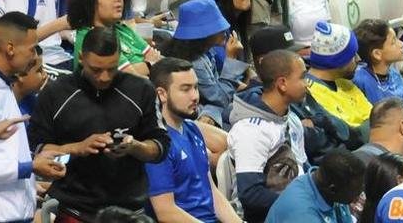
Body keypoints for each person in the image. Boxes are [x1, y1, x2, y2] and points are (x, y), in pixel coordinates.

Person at [31, 26, 169, 218]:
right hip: (75, 208)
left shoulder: (141, 89)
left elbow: (161, 147)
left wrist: (135, 147)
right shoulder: (55, 94)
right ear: (81, 58)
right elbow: (38, 152)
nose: (104, 77)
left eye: (111, 69)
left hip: (130, 211)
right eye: (96, 69)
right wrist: (78, 148)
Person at [146, 58, 242, 223]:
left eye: (196, 87)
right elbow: (166, 212)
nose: (195, 96)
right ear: (162, 94)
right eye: (185, 89)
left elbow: (211, 191)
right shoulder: (157, 145)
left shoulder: (193, 130)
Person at [0, 12, 65, 223]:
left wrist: (31, 182)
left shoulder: (3, 87)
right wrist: (31, 167)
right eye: (32, 49)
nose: (35, 57)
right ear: (10, 48)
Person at [226, 49, 310, 222]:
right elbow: (251, 194)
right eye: (302, 77)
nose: (307, 84)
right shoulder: (250, 131)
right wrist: (301, 204)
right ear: (282, 83)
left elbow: (302, 166)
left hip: (294, 203)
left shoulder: (291, 118)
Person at [267, 149, 365, 222]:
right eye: (356, 189)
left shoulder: (329, 184)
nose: (360, 193)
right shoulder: (303, 215)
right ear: (332, 189)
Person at [353, 20, 403, 105]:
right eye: (393, 42)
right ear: (377, 54)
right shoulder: (360, 81)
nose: (402, 44)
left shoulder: (394, 75)